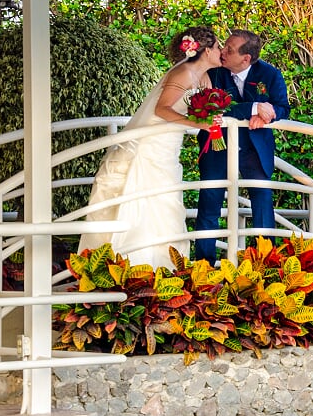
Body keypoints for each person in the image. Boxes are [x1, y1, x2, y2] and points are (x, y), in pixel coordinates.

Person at [78, 27, 222, 269]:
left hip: (169, 147)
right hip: (152, 144)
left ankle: (165, 266)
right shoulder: (183, 73)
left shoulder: (204, 77)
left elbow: (203, 106)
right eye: (218, 47)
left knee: (165, 202)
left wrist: (211, 117)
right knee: (147, 200)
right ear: (206, 51)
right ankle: (137, 264)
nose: (221, 52)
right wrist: (196, 123)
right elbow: (162, 109)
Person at [192, 29, 290, 262]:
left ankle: (266, 263)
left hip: (255, 147)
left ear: (246, 58)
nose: (222, 52)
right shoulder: (213, 72)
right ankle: (203, 266)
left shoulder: (270, 74)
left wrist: (269, 114)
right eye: (224, 46)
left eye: (230, 50)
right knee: (210, 201)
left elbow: (283, 107)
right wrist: (252, 109)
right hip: (217, 144)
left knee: (262, 200)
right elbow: (211, 105)